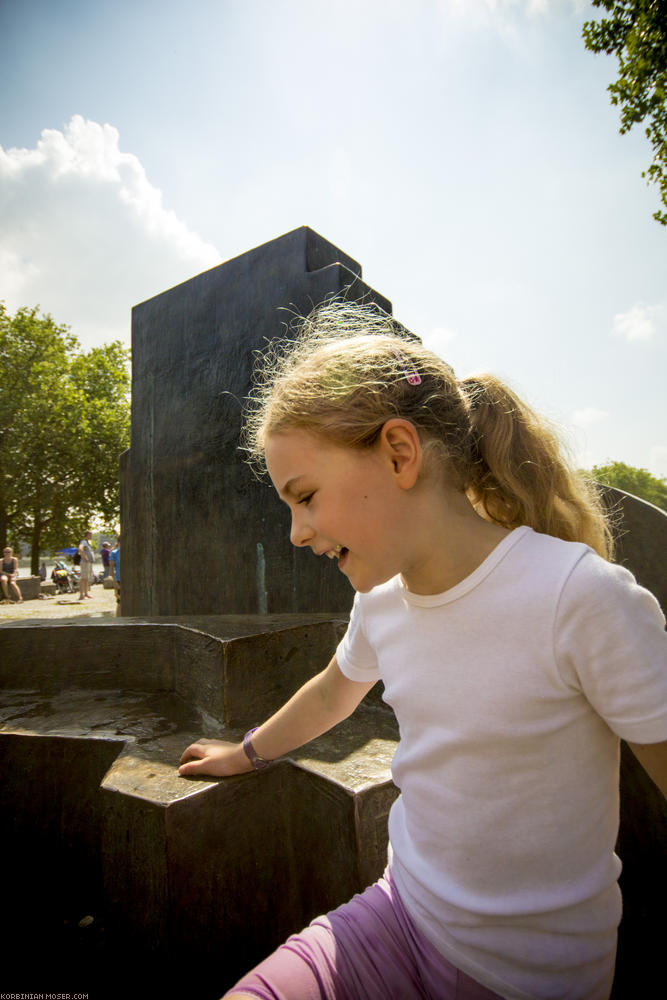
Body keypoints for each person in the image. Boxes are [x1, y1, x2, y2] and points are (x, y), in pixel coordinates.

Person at [179, 301, 667, 1000]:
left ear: (400, 453)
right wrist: (246, 752)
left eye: (306, 496)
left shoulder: (577, 597)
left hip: (532, 978)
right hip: (397, 919)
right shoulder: (380, 599)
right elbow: (331, 690)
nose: (295, 531)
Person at [77, 530, 95, 600]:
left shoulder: (89, 543)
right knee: (83, 578)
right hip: (85, 562)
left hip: (89, 562)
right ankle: (81, 595)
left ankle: (86, 593)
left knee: (87, 578)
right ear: (87, 535)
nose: (91, 536)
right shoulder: (83, 542)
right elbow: (80, 549)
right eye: (90, 535)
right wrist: (85, 557)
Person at [109, 536, 120, 610]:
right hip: (119, 580)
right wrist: (115, 583)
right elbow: (111, 570)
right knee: (120, 601)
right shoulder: (114, 553)